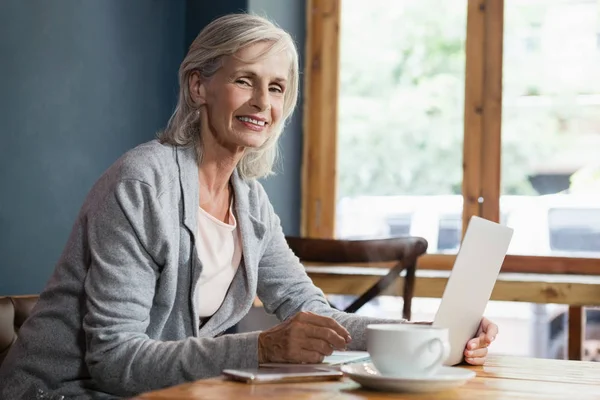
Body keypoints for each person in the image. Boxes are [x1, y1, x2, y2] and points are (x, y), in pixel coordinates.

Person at [0, 13, 498, 400]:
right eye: (245, 80)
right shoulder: (141, 184)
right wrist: (262, 348)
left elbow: (313, 314)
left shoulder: (251, 202)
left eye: (277, 87)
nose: (263, 101)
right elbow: (114, 360)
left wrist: (431, 334)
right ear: (200, 86)